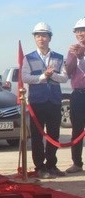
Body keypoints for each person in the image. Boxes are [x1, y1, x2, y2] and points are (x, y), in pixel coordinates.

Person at [22, 22, 68, 179]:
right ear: (35, 38)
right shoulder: (28, 58)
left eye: (44, 35)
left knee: (54, 134)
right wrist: (43, 77)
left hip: (54, 101)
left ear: (50, 38)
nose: (41, 39)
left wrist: (52, 75)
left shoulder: (58, 57)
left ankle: (51, 165)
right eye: (38, 35)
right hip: (37, 101)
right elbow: (25, 77)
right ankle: (39, 167)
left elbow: (64, 77)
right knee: (37, 136)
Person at [65, 18, 85, 174]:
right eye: (78, 31)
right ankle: (77, 163)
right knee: (77, 129)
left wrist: (82, 56)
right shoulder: (72, 50)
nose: (80, 34)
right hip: (78, 94)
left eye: (83, 30)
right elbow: (69, 71)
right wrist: (74, 56)